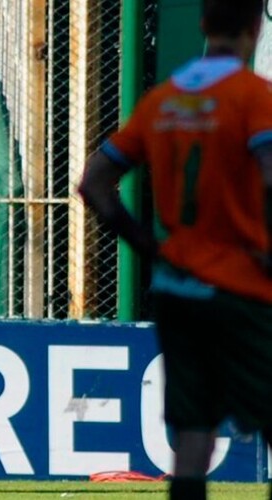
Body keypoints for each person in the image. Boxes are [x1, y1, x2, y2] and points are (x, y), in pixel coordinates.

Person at [79, 1, 272, 499]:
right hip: (243, 284)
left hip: (177, 287)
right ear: (255, 27)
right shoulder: (253, 97)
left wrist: (150, 246)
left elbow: (96, 182)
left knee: (192, 439)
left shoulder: (160, 102)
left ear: (204, 24)